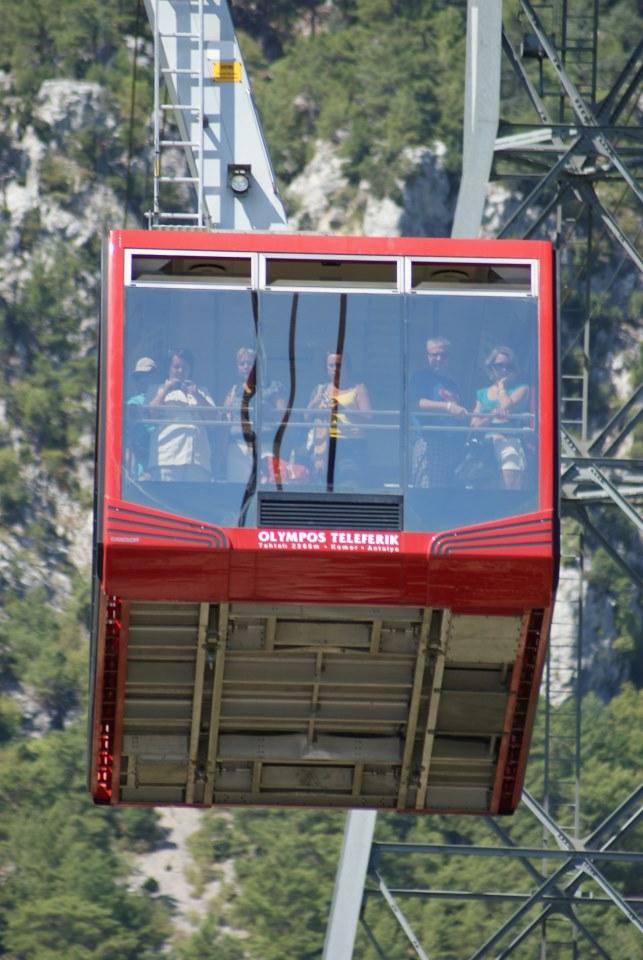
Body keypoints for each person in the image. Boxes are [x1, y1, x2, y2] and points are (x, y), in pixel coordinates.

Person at [148, 348, 216, 481]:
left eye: (185, 368)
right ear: (168, 368)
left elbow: (214, 419)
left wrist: (196, 394)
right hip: (167, 457)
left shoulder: (201, 391)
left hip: (197, 459)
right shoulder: (156, 389)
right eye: (176, 367)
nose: (180, 371)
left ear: (190, 370)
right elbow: (151, 415)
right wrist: (166, 390)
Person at [410, 337, 468, 487]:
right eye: (434, 355)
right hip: (430, 441)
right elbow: (416, 404)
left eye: (443, 355)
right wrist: (448, 406)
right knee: (428, 488)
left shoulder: (452, 383)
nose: (439, 359)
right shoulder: (420, 378)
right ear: (427, 356)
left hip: (453, 445)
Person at [470, 345, 530, 490]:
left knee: (509, 485)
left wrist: (502, 388)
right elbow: (474, 424)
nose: (504, 370)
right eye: (499, 366)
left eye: (508, 366)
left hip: (508, 441)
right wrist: (491, 416)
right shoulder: (482, 393)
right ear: (491, 368)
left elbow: (507, 406)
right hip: (485, 443)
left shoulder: (521, 389)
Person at [306, 352, 370, 485]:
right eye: (331, 365)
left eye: (339, 365)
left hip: (351, 444)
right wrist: (315, 403)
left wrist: (342, 408)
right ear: (326, 368)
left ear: (347, 366)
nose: (335, 369)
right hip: (323, 444)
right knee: (321, 484)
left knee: (349, 483)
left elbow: (368, 416)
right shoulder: (320, 389)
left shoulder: (358, 388)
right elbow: (306, 418)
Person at [125, 356, 157, 480]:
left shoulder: (165, 396)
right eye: (138, 377)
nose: (142, 380)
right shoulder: (132, 402)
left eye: (147, 375)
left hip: (163, 453)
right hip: (141, 457)